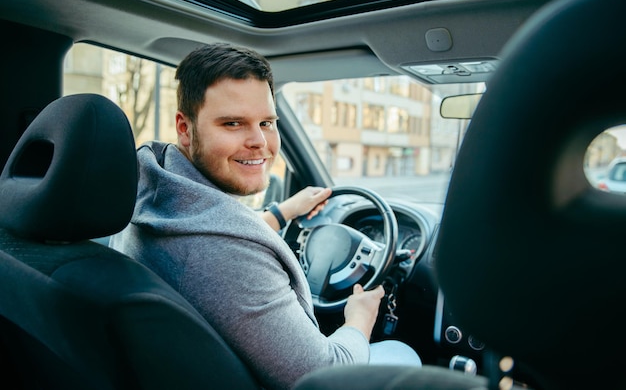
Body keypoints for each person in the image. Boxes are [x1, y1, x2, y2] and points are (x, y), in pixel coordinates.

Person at [109, 43, 421, 390]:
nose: (260, 141)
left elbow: (220, 230)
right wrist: (359, 317)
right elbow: (326, 378)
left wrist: (283, 212)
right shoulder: (223, 257)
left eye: (267, 122)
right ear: (185, 128)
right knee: (402, 353)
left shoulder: (159, 197)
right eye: (232, 123)